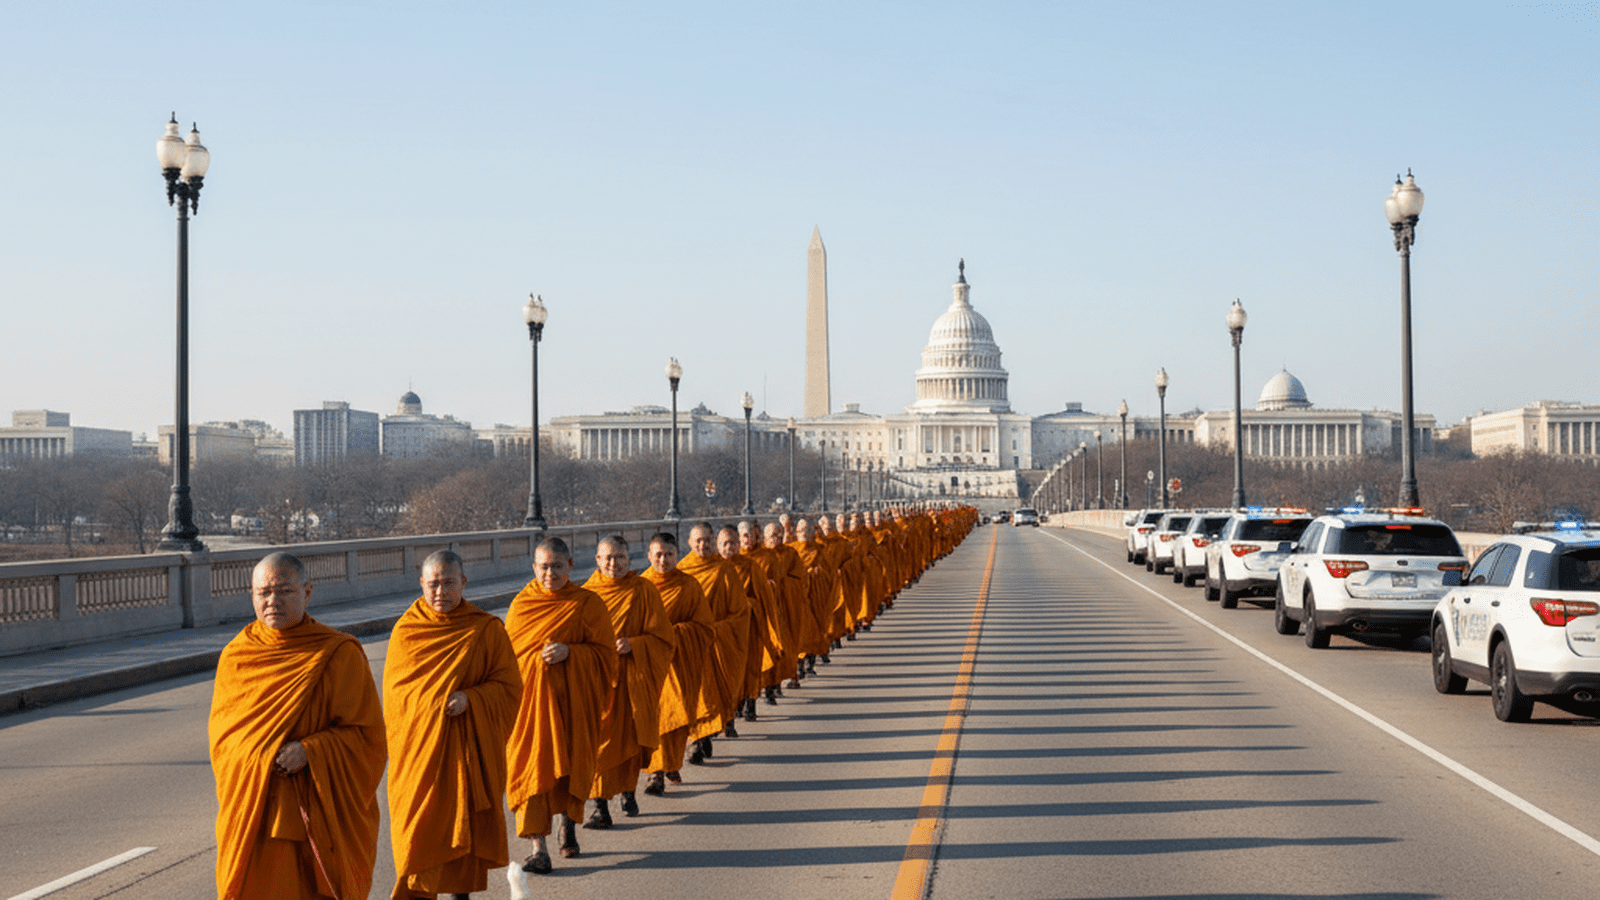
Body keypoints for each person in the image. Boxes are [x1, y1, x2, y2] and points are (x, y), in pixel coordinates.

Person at [209, 552, 386, 900]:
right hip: (255, 811)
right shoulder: (237, 655)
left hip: (316, 817)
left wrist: (311, 751)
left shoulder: (337, 653)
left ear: (307, 593)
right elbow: (224, 743)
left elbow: (367, 738)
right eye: (263, 593)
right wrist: (259, 757)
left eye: (284, 591)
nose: (272, 601)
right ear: (252, 595)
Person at [384, 550, 522, 900]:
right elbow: (397, 700)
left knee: (464, 826)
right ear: (421, 584)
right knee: (421, 830)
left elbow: (508, 688)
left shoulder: (485, 628)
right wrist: (434, 705)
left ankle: (462, 894)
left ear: (464, 583)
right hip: (421, 756)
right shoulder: (408, 630)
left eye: (448, 583)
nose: (440, 592)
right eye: (433, 584)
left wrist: (472, 700)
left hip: (466, 752)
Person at [504, 538, 618, 891]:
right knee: (530, 770)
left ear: (570, 565)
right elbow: (504, 664)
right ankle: (538, 848)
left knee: (571, 768)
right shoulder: (522, 605)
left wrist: (572, 653)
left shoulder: (587, 603)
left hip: (574, 705)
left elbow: (605, 656)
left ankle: (568, 827)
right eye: (543, 566)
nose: (549, 573)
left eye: (556, 566)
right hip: (530, 709)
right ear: (533, 567)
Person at [581, 535, 675, 827]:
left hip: (634, 679)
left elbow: (663, 638)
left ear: (630, 559)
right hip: (597, 682)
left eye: (620, 557)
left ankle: (627, 790)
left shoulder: (644, 590)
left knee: (629, 738)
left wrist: (636, 644)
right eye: (607, 558)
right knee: (598, 743)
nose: (614, 564)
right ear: (597, 560)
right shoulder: (585, 596)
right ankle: (599, 805)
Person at [641, 531, 715, 795]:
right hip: (648, 664)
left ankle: (669, 763)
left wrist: (676, 634)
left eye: (669, 555)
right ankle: (654, 773)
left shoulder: (688, 586)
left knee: (675, 718)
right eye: (658, 554)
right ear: (649, 555)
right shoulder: (641, 587)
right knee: (654, 718)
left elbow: (705, 628)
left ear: (677, 555)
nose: (663, 560)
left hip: (679, 662)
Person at [676, 522, 750, 756]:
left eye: (707, 540)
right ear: (688, 543)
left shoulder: (724, 569)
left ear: (713, 541)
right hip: (690, 642)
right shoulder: (681, 571)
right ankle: (698, 738)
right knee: (694, 694)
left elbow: (739, 612)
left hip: (717, 640)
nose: (702, 545)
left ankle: (705, 733)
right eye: (697, 541)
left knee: (713, 692)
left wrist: (717, 629)